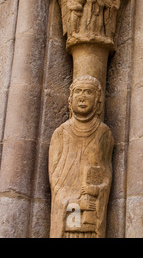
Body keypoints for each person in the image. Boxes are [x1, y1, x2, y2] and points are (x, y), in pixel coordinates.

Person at [49, 75, 114, 238]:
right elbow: (55, 180)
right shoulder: (61, 134)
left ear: (98, 101)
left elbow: (106, 174)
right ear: (70, 99)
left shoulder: (103, 133)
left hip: (92, 213)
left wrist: (96, 190)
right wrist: (74, 203)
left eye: (88, 92)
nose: (82, 97)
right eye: (78, 92)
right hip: (68, 211)